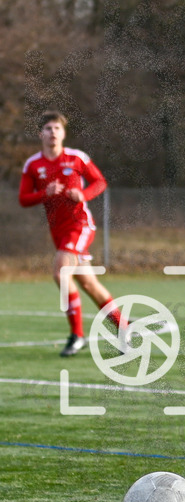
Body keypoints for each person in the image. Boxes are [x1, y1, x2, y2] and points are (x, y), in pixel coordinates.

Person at [19, 111, 130, 356]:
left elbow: (100, 182)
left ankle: (77, 335)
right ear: (41, 134)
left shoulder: (76, 158)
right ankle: (124, 328)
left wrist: (84, 195)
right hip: (58, 231)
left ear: (63, 133)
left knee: (60, 272)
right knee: (88, 283)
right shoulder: (33, 165)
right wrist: (44, 193)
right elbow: (24, 199)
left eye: (57, 128)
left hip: (80, 225)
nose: (53, 132)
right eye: (48, 128)